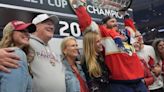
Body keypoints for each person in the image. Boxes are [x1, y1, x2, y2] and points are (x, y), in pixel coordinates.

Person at [72, 0, 147, 92]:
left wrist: (125, 15)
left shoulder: (126, 35)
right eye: (112, 21)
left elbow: (131, 27)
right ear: (104, 24)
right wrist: (79, 6)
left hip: (139, 82)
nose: (115, 23)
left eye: (116, 21)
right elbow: (86, 24)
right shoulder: (102, 34)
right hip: (120, 84)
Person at [29, 13, 66, 92]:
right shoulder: (27, 43)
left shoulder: (53, 49)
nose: (51, 27)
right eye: (48, 24)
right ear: (35, 26)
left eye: (52, 25)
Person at [0, 20, 36, 92]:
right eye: (22, 31)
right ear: (10, 33)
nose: (27, 34)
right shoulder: (16, 53)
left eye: (27, 31)